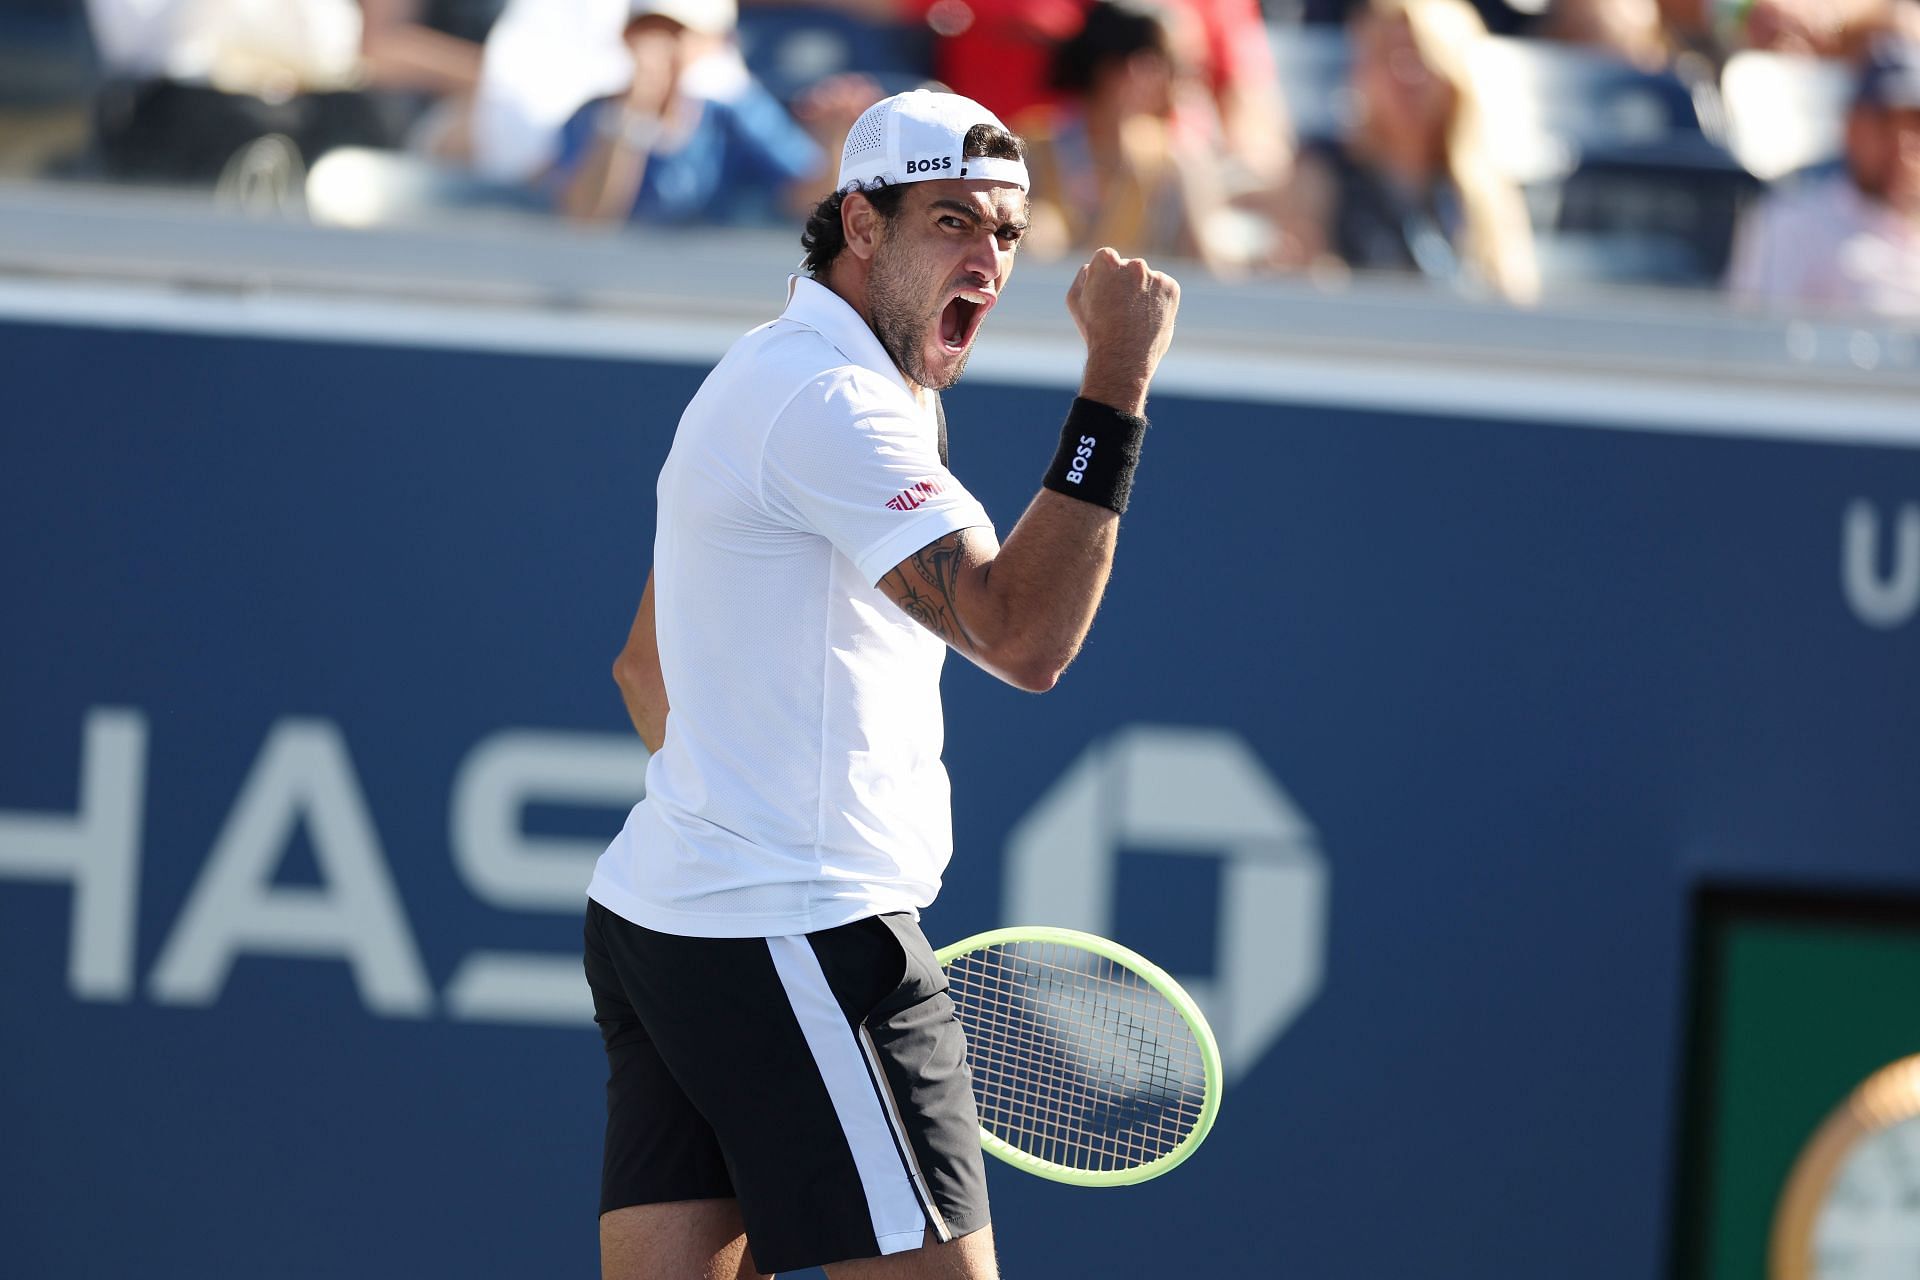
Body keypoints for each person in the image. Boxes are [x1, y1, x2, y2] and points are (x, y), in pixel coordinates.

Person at [585, 88, 1179, 1278]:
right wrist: (1117, 375)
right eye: (952, 221)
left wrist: (739, 815)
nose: (990, 258)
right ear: (861, 226)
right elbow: (1026, 638)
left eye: (1006, 231)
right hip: (795, 924)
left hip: (668, 918)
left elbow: (644, 667)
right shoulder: (832, 404)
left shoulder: (797, 373)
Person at [1271, 0, 1541, 303]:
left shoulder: (1488, 192)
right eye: (1391, 57)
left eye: (1422, 58)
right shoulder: (1322, 179)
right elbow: (1310, 294)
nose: (1407, 77)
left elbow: (1516, 300)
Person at [552, 0, 872, 226]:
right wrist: (631, 115)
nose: (659, 48)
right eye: (649, 31)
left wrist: (835, 140)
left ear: (711, 42)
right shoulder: (593, 117)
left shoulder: (736, 114)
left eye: (676, 33)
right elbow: (585, 218)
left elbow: (808, 203)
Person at [1020, 0, 1243, 271]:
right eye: (1168, 63)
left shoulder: (1177, 162)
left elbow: (1208, 268)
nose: (1177, 80)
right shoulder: (1030, 149)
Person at [1726, 32, 1920, 314]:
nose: (1902, 144)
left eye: (1915, 126)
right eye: (1884, 124)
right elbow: (1757, 342)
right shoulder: (1791, 224)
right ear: (1850, 128)